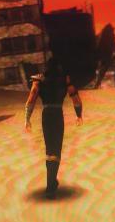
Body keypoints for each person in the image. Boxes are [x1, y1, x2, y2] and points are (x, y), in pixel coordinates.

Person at [25, 58, 83, 199]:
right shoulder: (65, 80)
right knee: (56, 150)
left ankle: (51, 183)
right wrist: (79, 115)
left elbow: (31, 98)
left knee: (49, 149)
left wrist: (27, 118)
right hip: (57, 114)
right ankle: (51, 184)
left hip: (46, 115)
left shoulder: (39, 80)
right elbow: (75, 98)